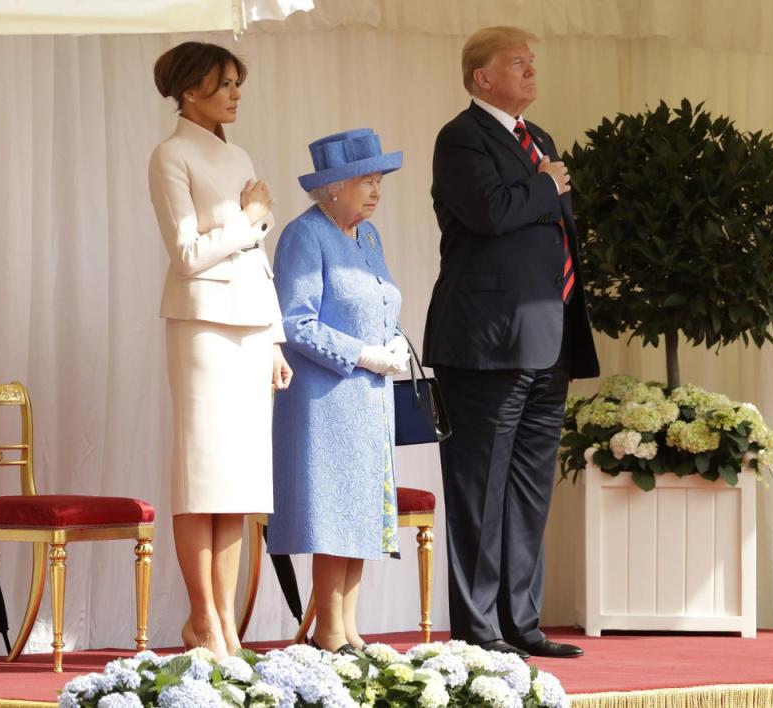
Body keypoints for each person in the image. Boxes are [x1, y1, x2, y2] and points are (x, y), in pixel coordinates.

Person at [423, 26, 600, 659]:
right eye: (517, 64)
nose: (531, 72)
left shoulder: (540, 140)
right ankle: (478, 628)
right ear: (482, 77)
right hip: (484, 344)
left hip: (547, 339)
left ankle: (521, 622)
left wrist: (545, 181)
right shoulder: (461, 137)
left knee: (528, 488)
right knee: (479, 485)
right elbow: (493, 215)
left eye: (533, 63)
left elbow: (554, 237)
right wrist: (546, 183)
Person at [148, 41, 291, 659]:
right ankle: (203, 620)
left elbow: (254, 258)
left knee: (240, 483)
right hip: (203, 326)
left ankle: (226, 623)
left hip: (252, 327)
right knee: (201, 476)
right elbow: (186, 253)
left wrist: (277, 338)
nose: (236, 93)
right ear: (188, 89)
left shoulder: (240, 154)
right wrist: (251, 216)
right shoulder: (170, 155)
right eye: (224, 82)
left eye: (238, 82)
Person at [267, 129, 409, 654]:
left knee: (365, 511)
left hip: (369, 399)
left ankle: (349, 627)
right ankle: (329, 630)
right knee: (334, 512)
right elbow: (294, 321)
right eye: (365, 182)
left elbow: (382, 301)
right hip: (325, 399)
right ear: (331, 188)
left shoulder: (367, 237)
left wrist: (392, 340)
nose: (376, 192)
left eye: (378, 182)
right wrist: (363, 354)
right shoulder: (305, 236)